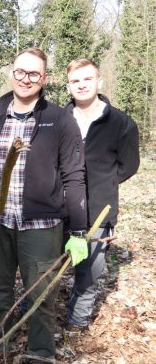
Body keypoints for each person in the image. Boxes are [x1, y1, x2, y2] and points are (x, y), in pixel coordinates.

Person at [0, 47, 88, 361]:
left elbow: (74, 175)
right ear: (11, 73)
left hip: (42, 226)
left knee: (41, 296)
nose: (26, 79)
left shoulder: (60, 119)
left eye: (34, 73)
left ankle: (39, 354)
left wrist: (78, 231)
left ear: (44, 78)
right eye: (20, 71)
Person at [64, 58, 139, 331]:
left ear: (99, 81)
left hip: (98, 210)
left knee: (90, 271)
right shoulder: (59, 119)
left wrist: (103, 183)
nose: (81, 85)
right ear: (68, 86)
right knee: (44, 264)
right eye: (75, 81)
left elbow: (129, 165)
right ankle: (35, 311)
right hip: (58, 208)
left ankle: (76, 321)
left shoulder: (121, 123)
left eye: (87, 79)